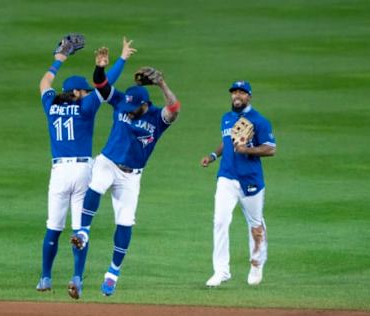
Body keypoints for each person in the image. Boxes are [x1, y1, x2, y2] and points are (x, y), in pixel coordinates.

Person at [67, 49, 181, 299]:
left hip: (131, 176)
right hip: (108, 162)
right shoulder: (121, 100)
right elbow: (100, 84)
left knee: (125, 222)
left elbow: (175, 107)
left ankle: (113, 274)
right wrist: (100, 66)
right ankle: (83, 231)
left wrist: (161, 83)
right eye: (127, 105)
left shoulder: (157, 117)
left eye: (134, 107)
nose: (128, 109)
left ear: (145, 104)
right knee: (96, 184)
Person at [35, 37, 136, 292]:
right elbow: (105, 85)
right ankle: (77, 278)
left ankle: (45, 279)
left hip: (58, 172)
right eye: (85, 91)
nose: (88, 93)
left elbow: (44, 83)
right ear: (78, 92)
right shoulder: (85, 106)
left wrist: (59, 59)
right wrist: (120, 59)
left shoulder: (51, 105)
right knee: (81, 230)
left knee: (53, 227)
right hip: (82, 172)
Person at [200, 80, 276, 287]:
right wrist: (213, 155)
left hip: (250, 179)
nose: (237, 96)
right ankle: (221, 271)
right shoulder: (226, 118)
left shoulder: (259, 121)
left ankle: (256, 263)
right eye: (234, 92)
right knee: (220, 221)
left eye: (242, 93)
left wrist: (247, 150)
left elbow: (270, 148)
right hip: (226, 177)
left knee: (256, 225)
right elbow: (227, 142)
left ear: (249, 96)